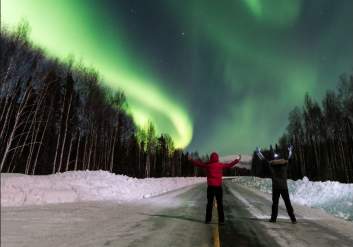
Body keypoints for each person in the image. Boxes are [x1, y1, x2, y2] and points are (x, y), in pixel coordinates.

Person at [189, 152, 241, 224]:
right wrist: (237, 160)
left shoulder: (208, 165)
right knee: (220, 204)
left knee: (209, 204)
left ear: (211, 158)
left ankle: (208, 220)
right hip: (218, 188)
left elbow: (199, 164)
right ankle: (221, 220)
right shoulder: (220, 165)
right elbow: (229, 165)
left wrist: (191, 160)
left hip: (210, 187)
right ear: (217, 158)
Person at [256, 147, 297, 224]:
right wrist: (290, 151)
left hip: (276, 187)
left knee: (275, 204)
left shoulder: (271, 166)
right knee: (287, 203)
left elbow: (263, 160)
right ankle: (293, 219)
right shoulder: (285, 165)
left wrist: (258, 152)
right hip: (284, 187)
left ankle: (273, 219)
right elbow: (290, 159)